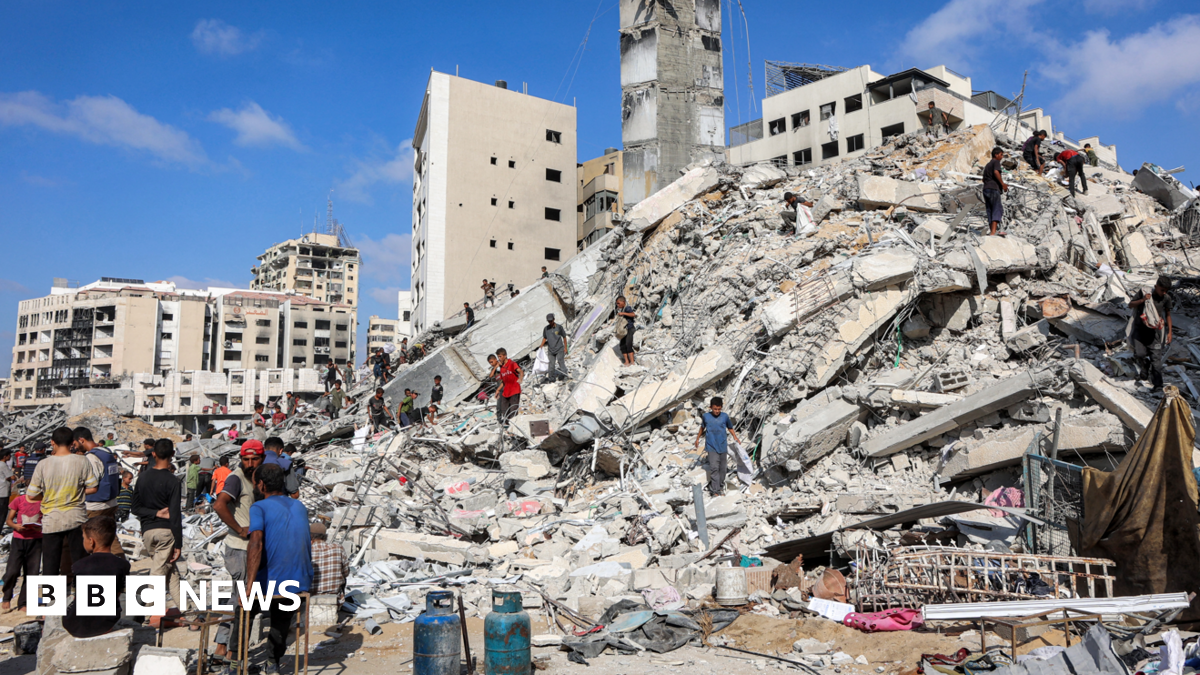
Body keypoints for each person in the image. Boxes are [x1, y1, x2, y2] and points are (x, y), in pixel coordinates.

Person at [241, 464, 312, 675]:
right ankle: (272, 663)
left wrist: (249, 585)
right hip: (300, 582)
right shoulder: (299, 506)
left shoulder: (259, 507)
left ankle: (234, 663)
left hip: (275, 583)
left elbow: (256, 543)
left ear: (261, 484)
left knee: (243, 610)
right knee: (280, 620)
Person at [212, 441, 265, 662]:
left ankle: (223, 648)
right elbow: (219, 505)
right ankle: (229, 651)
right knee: (241, 599)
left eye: (254, 459)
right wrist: (238, 528)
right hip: (240, 549)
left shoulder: (257, 479)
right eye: (246, 460)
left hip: (249, 549)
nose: (250, 464)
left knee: (238, 598)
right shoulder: (236, 478)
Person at [26, 427, 98, 577]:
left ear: (52, 442)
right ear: (73, 443)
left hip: (52, 519)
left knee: (50, 564)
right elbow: (93, 487)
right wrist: (75, 491)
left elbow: (31, 495)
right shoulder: (82, 461)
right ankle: (81, 597)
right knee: (80, 562)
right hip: (76, 517)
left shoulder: (43, 464)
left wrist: (47, 496)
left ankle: (50, 598)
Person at [132, 439, 183, 610]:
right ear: (173, 455)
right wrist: (178, 543)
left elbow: (135, 508)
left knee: (171, 573)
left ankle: (189, 613)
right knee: (157, 575)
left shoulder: (142, 477)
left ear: (153, 454)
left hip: (147, 532)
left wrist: (152, 513)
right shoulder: (173, 481)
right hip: (166, 533)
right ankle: (146, 615)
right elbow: (175, 514)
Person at [62, 516, 129, 638]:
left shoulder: (78, 565)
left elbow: (77, 595)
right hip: (105, 625)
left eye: (84, 538)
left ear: (91, 541)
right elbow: (117, 594)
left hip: (74, 625)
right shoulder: (122, 565)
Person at [75, 427, 125, 558]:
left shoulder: (91, 458)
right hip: (111, 503)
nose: (75, 447)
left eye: (75, 444)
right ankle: (120, 567)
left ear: (81, 440)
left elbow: (91, 483)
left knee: (93, 541)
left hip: (95, 505)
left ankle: (99, 569)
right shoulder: (106, 453)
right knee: (110, 538)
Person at [1129, 277, 1174, 391]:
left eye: (1166, 291)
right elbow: (1131, 304)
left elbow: (1168, 314)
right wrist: (1143, 300)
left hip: (1155, 334)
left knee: (1156, 361)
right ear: (1155, 287)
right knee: (1139, 354)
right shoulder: (1144, 293)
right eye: (1162, 290)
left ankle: (1158, 386)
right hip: (1140, 332)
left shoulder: (1166, 298)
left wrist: (1170, 332)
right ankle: (1145, 365)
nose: (1164, 293)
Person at [3, 485, 42, 610]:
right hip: (18, 539)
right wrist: (16, 526)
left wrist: (39, 527)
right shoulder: (19, 500)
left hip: (36, 540)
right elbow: (9, 520)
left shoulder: (44, 502)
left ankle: (23, 602)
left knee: (32, 573)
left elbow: (47, 520)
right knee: (12, 571)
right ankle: (7, 597)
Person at [693, 397, 741, 497]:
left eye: (719, 409)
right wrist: (697, 439)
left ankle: (720, 487)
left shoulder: (724, 416)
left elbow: (730, 427)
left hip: (722, 445)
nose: (717, 411)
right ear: (711, 407)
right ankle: (715, 491)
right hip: (711, 446)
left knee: (722, 469)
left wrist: (735, 437)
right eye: (715, 409)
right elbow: (702, 428)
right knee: (714, 468)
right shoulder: (706, 417)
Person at [309, 522, 348, 599]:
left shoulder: (306, 551)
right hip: (335, 596)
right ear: (325, 536)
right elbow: (346, 572)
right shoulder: (338, 547)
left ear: (310, 536)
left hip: (310, 596)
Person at [982, 147, 1009, 236]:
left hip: (986, 189)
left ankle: (991, 231)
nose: (1001, 157)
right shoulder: (996, 162)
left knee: (989, 209)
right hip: (994, 189)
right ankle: (993, 232)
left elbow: (983, 179)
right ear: (996, 155)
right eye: (1001, 155)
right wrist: (1002, 184)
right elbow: (996, 172)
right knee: (997, 208)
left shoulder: (988, 165)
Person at [493, 348, 522, 424]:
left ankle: (514, 426)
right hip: (506, 392)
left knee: (513, 411)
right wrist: (498, 390)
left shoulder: (512, 364)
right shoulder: (502, 368)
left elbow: (520, 371)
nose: (499, 359)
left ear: (505, 356)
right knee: (504, 410)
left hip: (514, 390)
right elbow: (503, 381)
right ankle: (508, 426)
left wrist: (520, 378)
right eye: (498, 357)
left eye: (500, 356)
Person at [539, 314, 569, 383]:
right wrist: (541, 346)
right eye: (549, 321)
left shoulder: (559, 327)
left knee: (560, 362)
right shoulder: (546, 329)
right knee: (551, 365)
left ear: (554, 319)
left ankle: (564, 375)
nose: (550, 322)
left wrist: (565, 348)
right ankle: (551, 379)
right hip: (551, 350)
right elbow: (545, 337)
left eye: (551, 321)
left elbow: (564, 337)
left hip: (559, 349)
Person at [616, 296, 637, 366]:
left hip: (629, 329)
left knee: (628, 344)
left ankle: (632, 362)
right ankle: (626, 362)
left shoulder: (627, 308)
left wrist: (623, 313)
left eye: (619, 303)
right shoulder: (622, 309)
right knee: (622, 345)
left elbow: (633, 314)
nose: (618, 305)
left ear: (623, 302)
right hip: (624, 330)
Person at [0, 448, 12, 529]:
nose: (10, 456)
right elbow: (10, 476)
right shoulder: (3, 465)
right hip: (3, 492)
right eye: (9, 455)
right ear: (5, 456)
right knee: (2, 513)